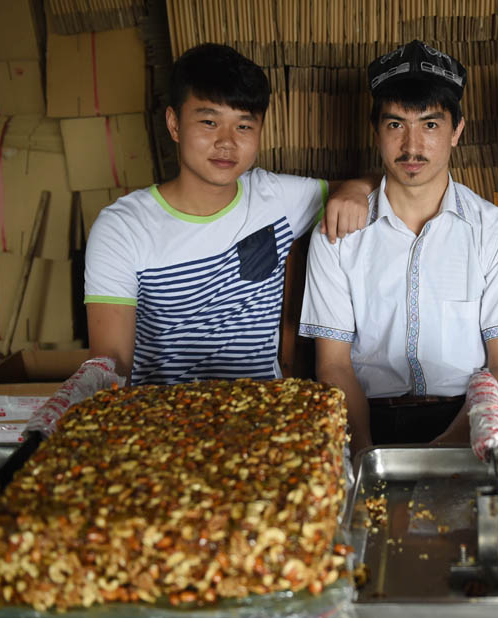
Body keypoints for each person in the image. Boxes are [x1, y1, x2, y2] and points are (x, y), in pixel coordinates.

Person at [299, 40, 498, 456]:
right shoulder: (337, 233)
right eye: (396, 125)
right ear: (376, 129)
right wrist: (366, 453)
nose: (412, 146)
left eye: (430, 125)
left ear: (457, 130)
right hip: (364, 420)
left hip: (467, 423)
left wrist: (445, 451)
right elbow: (333, 365)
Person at [85, 43, 373, 385]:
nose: (227, 142)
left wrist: (356, 188)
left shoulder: (275, 198)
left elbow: (382, 186)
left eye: (244, 126)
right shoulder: (122, 228)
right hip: (162, 412)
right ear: (174, 124)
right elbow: (110, 368)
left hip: (264, 409)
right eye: (209, 122)